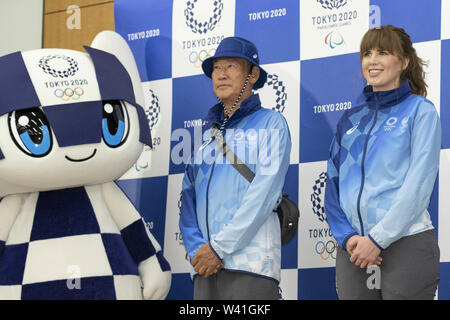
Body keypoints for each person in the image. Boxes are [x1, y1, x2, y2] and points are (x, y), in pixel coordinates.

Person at [325, 25, 441, 300]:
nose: (372, 60)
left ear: (404, 62)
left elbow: (419, 185)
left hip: (406, 243)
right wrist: (348, 237)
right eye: (367, 53)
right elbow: (332, 186)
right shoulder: (349, 120)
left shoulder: (420, 111)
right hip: (354, 251)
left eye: (383, 52)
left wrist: (377, 240)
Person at [179, 37, 291, 300]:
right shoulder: (207, 139)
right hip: (205, 267)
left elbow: (264, 195)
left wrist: (218, 248)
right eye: (217, 68)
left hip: (251, 267)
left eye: (231, 66)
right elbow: (187, 201)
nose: (221, 74)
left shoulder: (272, 124)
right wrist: (198, 250)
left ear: (253, 75)